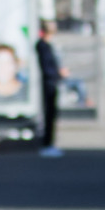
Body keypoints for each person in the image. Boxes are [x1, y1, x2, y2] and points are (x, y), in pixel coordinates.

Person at [34, 28, 67, 156]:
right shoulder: (43, 46)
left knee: (51, 115)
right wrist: (59, 73)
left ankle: (49, 143)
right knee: (49, 114)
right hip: (49, 83)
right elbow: (47, 67)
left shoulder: (45, 46)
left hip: (51, 82)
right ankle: (47, 144)